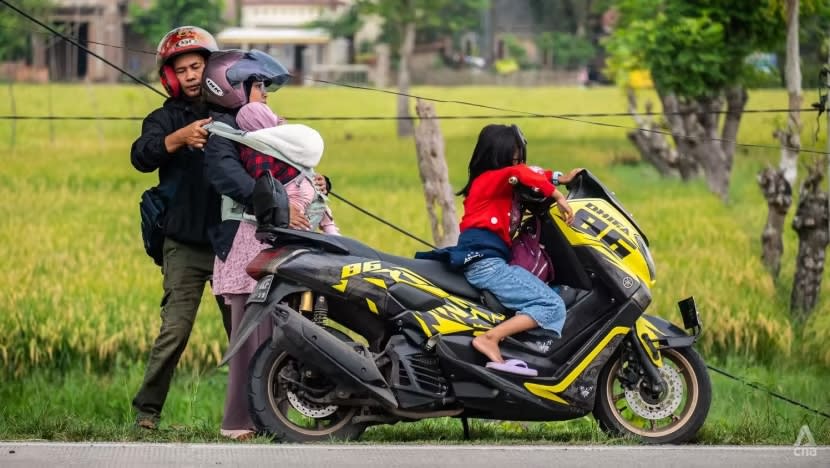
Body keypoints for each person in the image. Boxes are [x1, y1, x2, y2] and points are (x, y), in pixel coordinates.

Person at [200, 49, 332, 440]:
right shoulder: (223, 136)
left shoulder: (265, 132)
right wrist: (278, 206)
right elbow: (235, 181)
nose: (265, 94)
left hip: (277, 243)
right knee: (249, 339)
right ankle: (239, 422)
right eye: (258, 86)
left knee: (279, 334)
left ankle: (274, 418)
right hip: (246, 245)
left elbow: (292, 174)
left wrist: (318, 184)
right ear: (232, 89)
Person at [129, 26, 231, 430]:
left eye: (197, 66)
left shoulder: (234, 112)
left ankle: (254, 413)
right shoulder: (164, 118)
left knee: (244, 331)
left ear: (212, 68)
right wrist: (179, 138)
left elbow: (273, 159)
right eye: (182, 69)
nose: (190, 76)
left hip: (231, 244)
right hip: (184, 244)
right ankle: (147, 413)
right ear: (170, 77)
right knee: (174, 330)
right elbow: (141, 155)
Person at [418, 124, 581, 377]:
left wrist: (560, 177)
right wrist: (558, 194)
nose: (518, 164)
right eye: (513, 158)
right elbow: (521, 173)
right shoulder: (490, 179)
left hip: (489, 262)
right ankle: (490, 338)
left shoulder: (499, 181)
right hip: (487, 264)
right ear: (497, 156)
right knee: (551, 304)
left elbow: (529, 172)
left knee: (551, 292)